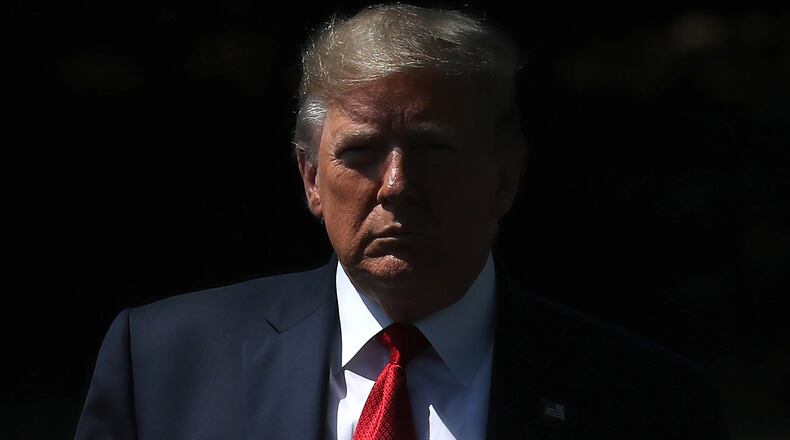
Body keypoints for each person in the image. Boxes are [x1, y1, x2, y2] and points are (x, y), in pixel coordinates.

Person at [75, 4, 727, 439]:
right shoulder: (164, 364)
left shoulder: (648, 400)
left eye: (435, 150)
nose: (397, 186)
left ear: (504, 176)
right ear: (310, 179)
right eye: (360, 153)